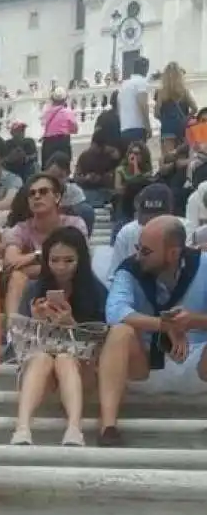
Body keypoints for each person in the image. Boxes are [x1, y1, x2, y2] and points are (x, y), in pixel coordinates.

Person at [99, 216, 207, 447]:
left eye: (146, 251)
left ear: (173, 253)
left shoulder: (204, 265)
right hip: (146, 363)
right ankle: (108, 427)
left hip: (197, 362)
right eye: (138, 248)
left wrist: (193, 321)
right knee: (119, 331)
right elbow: (115, 311)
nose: (138, 256)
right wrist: (163, 325)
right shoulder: (130, 270)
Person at [11, 227, 107, 446]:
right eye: (54, 260)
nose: (61, 267)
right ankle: (22, 427)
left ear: (80, 260)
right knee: (42, 357)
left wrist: (71, 323)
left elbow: (103, 340)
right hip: (39, 364)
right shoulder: (34, 289)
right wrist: (37, 320)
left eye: (68, 260)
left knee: (64, 358)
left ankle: (74, 428)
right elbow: (18, 339)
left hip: (81, 366)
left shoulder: (95, 292)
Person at [3, 174, 88, 316]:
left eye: (43, 192)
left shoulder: (75, 224)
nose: (36, 196)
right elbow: (10, 262)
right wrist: (41, 257)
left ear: (56, 197)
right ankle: (13, 330)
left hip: (71, 279)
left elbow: (81, 260)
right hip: (34, 285)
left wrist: (33, 261)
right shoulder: (21, 228)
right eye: (32, 194)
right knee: (17, 276)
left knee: (22, 272)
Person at [107, 184, 184, 283]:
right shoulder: (127, 232)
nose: (151, 224)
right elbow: (114, 277)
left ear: (171, 214)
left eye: (157, 219)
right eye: (146, 221)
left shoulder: (184, 230)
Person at [45, 152, 95, 236]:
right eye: (52, 176)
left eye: (60, 176)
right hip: (46, 225)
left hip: (69, 226)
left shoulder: (74, 190)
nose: (55, 180)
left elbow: (81, 210)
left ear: (68, 175)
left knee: (87, 210)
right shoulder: (40, 189)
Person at [154, 62, 196, 154]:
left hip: (167, 128)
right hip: (182, 127)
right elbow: (195, 108)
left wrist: (163, 119)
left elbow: (156, 113)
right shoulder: (184, 91)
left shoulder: (161, 92)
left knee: (168, 158)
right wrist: (186, 118)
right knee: (183, 155)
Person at [40, 87, 78, 168]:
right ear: (64, 100)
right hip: (62, 141)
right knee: (63, 168)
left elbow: (43, 123)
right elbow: (75, 129)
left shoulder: (47, 110)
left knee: (47, 167)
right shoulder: (67, 111)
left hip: (48, 142)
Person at [117, 56, 151, 146]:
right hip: (137, 127)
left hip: (124, 129)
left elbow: (119, 106)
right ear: (145, 68)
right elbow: (143, 104)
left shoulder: (123, 85)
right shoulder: (141, 82)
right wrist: (148, 125)